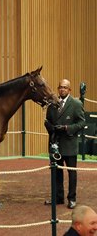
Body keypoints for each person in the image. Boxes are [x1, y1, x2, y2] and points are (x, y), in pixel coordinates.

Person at [44, 78, 85, 209]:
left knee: (72, 173)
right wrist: (49, 127)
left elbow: (81, 122)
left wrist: (67, 128)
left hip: (70, 144)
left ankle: (72, 199)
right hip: (55, 144)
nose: (62, 89)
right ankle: (58, 198)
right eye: (60, 87)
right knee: (56, 172)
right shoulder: (52, 104)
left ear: (69, 90)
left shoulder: (76, 104)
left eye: (65, 87)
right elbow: (48, 120)